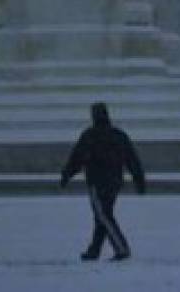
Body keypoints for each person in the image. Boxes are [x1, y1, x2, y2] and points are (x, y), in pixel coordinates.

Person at [60, 102, 146, 262]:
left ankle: (121, 248)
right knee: (102, 215)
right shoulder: (118, 135)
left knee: (103, 215)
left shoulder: (90, 135)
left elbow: (76, 159)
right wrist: (139, 180)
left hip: (96, 182)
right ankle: (94, 250)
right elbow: (132, 159)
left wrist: (66, 175)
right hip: (115, 181)